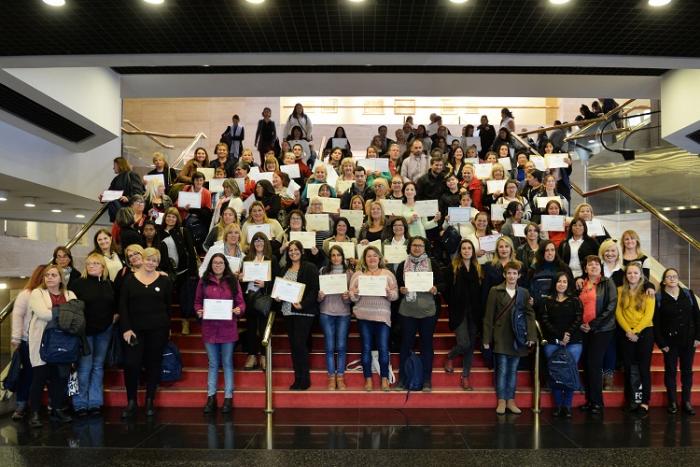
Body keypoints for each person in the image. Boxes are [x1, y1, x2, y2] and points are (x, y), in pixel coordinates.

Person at [119, 247, 173, 419]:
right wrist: (126, 328)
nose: (151, 263)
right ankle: (132, 401)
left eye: (155, 261)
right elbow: (123, 306)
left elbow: (168, 306)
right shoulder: (129, 280)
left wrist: (168, 327)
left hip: (158, 330)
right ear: (142, 259)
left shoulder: (165, 281)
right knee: (131, 364)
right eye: (148, 259)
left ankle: (150, 400)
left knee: (153, 364)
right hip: (134, 331)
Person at [27, 264, 78, 427]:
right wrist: (64, 312)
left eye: (53, 275)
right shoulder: (37, 293)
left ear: (60, 278)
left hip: (64, 343)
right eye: (47, 275)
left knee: (59, 379)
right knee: (39, 378)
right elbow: (42, 313)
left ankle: (57, 410)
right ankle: (34, 413)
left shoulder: (70, 294)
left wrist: (54, 310)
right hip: (42, 342)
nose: (49, 278)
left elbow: (76, 315)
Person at [482, 260, 536, 415]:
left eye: (515, 273)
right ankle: (501, 400)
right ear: (504, 275)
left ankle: (511, 400)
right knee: (502, 369)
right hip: (500, 336)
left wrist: (531, 335)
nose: (512, 276)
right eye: (509, 273)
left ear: (519, 276)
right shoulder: (495, 291)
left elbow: (529, 315)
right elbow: (489, 316)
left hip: (517, 337)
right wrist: (486, 339)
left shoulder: (524, 293)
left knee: (513, 370)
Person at [194, 253, 245, 414]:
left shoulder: (232, 281)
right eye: (215, 263)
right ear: (211, 264)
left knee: (227, 362)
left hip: (228, 328)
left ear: (225, 265)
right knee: (213, 363)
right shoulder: (203, 281)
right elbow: (197, 302)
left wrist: (239, 310)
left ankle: (228, 398)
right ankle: (211, 397)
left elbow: (241, 302)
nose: (218, 265)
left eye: (221, 263)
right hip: (209, 328)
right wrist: (199, 311)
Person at [395, 236, 445, 392]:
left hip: (427, 311)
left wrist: (436, 288)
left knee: (426, 346)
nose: (417, 248)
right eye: (414, 245)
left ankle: (426, 380)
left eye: (420, 246)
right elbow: (396, 285)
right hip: (407, 311)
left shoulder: (432, 264)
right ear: (409, 247)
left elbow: (443, 283)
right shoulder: (403, 265)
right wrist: (401, 289)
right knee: (405, 345)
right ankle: (403, 380)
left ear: (425, 248)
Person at [70, 253, 116, 417]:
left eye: (96, 263)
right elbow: (72, 308)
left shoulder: (110, 284)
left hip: (105, 330)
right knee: (84, 368)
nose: (91, 266)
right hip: (85, 333)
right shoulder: (77, 284)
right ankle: (80, 403)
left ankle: (95, 402)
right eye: (89, 263)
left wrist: (113, 318)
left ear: (103, 266)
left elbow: (116, 305)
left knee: (98, 367)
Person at [349, 246, 399, 391]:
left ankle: (384, 379)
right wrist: (355, 293)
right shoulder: (358, 275)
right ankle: (368, 379)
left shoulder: (387, 274)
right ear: (364, 259)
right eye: (369, 256)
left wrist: (389, 292)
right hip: (363, 316)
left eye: (374, 255)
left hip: (382, 316)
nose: (372, 258)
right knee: (366, 348)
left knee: (383, 348)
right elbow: (351, 296)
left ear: (379, 258)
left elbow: (395, 295)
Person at [654, 267, 700, 415]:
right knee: (671, 371)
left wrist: (698, 337)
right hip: (670, 343)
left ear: (678, 279)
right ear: (664, 280)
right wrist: (661, 343)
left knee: (687, 371)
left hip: (688, 340)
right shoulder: (659, 298)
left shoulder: (688, 294)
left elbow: (697, 317)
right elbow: (656, 322)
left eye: (675, 276)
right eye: (669, 277)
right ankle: (672, 402)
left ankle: (686, 401)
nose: (672, 279)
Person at [277, 240, 320, 390]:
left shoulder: (310, 267)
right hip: (288, 312)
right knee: (295, 346)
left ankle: (304, 379)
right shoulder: (284, 269)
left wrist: (303, 304)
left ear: (302, 251)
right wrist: (277, 296)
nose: (293, 252)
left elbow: (314, 290)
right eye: (290, 250)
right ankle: (298, 378)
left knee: (300, 345)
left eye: (296, 250)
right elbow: (280, 289)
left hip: (304, 312)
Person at [540, 272, 583, 418]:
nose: (562, 284)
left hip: (573, 342)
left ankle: (567, 406)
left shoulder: (575, 300)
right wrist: (559, 336)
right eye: (559, 281)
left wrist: (567, 334)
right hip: (552, 342)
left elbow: (578, 319)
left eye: (564, 281)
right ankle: (558, 405)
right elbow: (545, 321)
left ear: (568, 284)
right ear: (554, 283)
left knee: (569, 372)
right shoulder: (547, 301)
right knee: (556, 373)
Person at [579, 255, 618, 415]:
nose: (593, 266)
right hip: (584, 330)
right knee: (587, 365)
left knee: (594, 364)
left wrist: (593, 325)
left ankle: (597, 402)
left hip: (602, 329)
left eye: (596, 264)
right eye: (590, 264)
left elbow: (611, 306)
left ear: (600, 267)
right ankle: (590, 400)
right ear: (585, 268)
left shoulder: (607, 282)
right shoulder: (581, 284)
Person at [616, 261, 655, 415]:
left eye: (635, 273)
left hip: (644, 333)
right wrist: (628, 331)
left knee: (644, 369)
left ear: (641, 275)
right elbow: (618, 313)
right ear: (626, 275)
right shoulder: (620, 290)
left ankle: (645, 402)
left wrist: (636, 331)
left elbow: (649, 315)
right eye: (629, 273)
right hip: (626, 333)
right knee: (628, 368)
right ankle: (631, 400)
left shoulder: (648, 291)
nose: (632, 275)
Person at [444, 239, 482, 390]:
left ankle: (465, 376)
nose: (466, 251)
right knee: (464, 343)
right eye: (464, 248)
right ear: (460, 251)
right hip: (458, 311)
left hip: (474, 311)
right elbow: (446, 290)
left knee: (471, 346)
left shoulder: (478, 268)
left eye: (469, 248)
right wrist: (454, 303)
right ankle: (450, 356)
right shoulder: (452, 267)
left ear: (473, 251)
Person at [9, 265, 45, 421]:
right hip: (27, 341)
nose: (48, 278)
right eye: (45, 275)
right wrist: (16, 338)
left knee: (45, 375)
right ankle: (21, 404)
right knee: (27, 374)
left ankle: (46, 404)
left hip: (46, 342)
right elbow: (17, 316)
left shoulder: (50, 294)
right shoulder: (26, 294)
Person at [241, 232, 280, 371]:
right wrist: (241, 278)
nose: (258, 243)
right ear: (252, 244)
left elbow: (277, 280)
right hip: (249, 297)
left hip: (264, 298)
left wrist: (266, 285)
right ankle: (252, 356)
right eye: (256, 240)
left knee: (264, 328)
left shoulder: (272, 259)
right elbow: (242, 282)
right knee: (251, 327)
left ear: (265, 243)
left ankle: (264, 356)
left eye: (261, 240)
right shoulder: (246, 259)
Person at [318, 245, 353, 390]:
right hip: (326, 312)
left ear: (343, 257)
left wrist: (347, 297)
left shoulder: (349, 273)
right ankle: (331, 377)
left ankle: (340, 377)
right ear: (329, 257)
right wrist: (319, 296)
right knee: (330, 346)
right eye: (333, 255)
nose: (336, 258)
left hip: (343, 313)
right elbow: (318, 297)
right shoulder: (323, 271)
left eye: (338, 255)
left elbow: (353, 298)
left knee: (341, 346)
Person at [528, 240, 573, 312]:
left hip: (560, 308)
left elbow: (571, 288)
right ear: (542, 252)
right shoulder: (534, 269)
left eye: (552, 250)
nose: (550, 253)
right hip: (538, 307)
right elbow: (528, 288)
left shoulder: (564, 268)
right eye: (547, 250)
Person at [102, 157, 145, 222]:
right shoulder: (115, 179)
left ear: (120, 165)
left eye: (114, 165)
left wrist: (128, 198)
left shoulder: (132, 175)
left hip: (128, 210)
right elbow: (110, 193)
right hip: (117, 212)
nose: (113, 168)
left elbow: (138, 192)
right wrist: (103, 197)